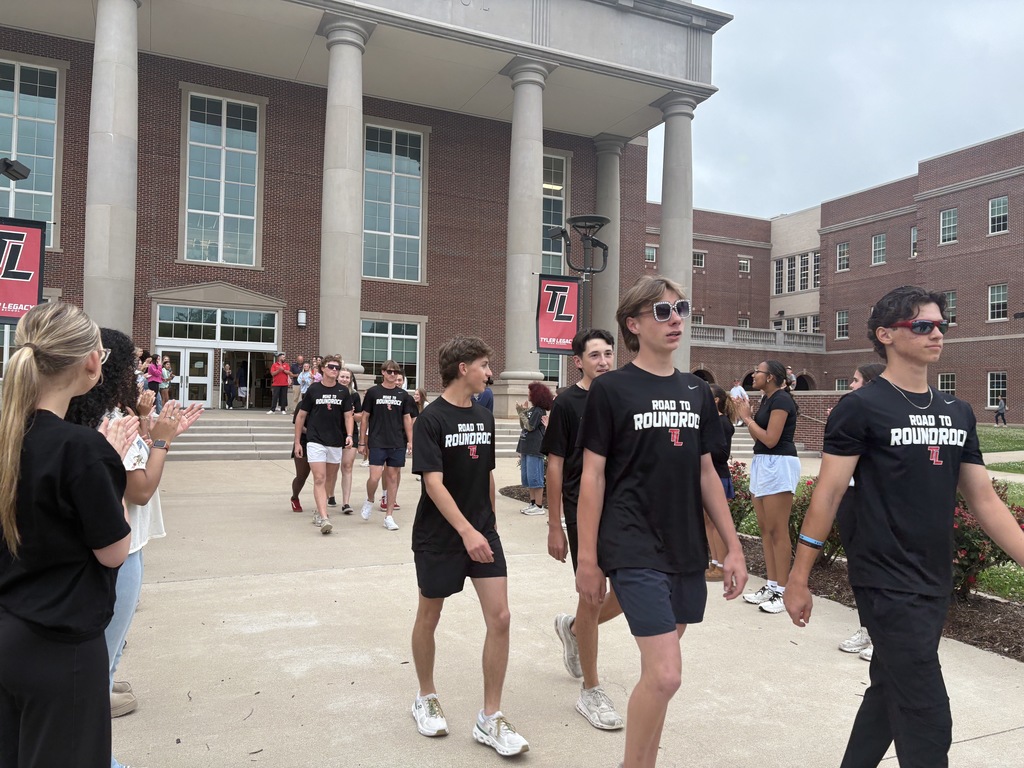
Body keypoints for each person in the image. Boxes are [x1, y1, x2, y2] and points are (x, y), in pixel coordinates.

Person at [785, 285, 1024, 768]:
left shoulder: (958, 411)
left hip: (934, 576)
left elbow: (982, 499)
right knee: (927, 717)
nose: (937, 334)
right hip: (883, 578)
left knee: (888, 691)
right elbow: (828, 494)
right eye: (922, 326)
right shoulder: (860, 408)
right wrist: (798, 576)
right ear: (886, 335)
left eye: (940, 325)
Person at [576, 275, 747, 768]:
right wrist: (588, 558)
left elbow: (706, 473)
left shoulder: (696, 391)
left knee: (659, 675)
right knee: (667, 673)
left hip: (685, 546)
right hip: (631, 542)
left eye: (680, 310)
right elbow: (593, 476)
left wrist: (733, 547)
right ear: (632, 324)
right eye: (662, 311)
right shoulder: (610, 389)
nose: (675, 320)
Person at [0, 302, 136, 767]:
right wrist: (112, 461)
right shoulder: (82, 449)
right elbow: (114, 551)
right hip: (60, 646)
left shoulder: (11, 436)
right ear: (92, 362)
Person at [65, 330, 201, 767]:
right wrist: (162, 440)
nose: (139, 373)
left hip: (103, 547)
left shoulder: (87, 414)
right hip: (121, 549)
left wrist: (149, 428)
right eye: (132, 366)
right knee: (100, 658)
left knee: (103, 651)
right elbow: (139, 489)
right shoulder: (110, 421)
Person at [409, 336, 530, 756]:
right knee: (430, 614)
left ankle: (490, 717)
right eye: (484, 365)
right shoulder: (431, 419)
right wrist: (466, 531)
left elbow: (487, 474)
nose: (490, 373)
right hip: (440, 535)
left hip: (481, 530)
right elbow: (433, 483)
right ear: (463, 368)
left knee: (501, 617)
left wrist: (488, 523)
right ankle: (425, 696)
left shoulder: (484, 415)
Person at [542, 327, 625, 730]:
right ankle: (591, 690)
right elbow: (555, 466)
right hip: (581, 509)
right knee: (592, 594)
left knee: (627, 593)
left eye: (608, 353)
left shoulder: (622, 397)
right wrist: (554, 524)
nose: (603, 361)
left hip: (622, 508)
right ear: (578, 361)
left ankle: (574, 628)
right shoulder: (566, 404)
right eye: (595, 355)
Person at [734, 359, 800, 615]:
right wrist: (749, 418)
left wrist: (747, 418)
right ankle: (772, 585)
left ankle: (783, 591)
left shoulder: (781, 400)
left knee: (777, 530)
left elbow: (771, 439)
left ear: (770, 377)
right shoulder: (767, 399)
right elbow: (758, 437)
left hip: (779, 463)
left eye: (758, 372)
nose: (753, 375)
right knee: (765, 530)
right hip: (763, 461)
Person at [835, 362, 886, 662]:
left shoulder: (884, 416)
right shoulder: (850, 410)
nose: (851, 386)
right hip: (850, 495)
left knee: (878, 567)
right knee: (858, 567)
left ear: (871, 383)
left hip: (874, 498)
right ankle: (867, 627)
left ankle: (883, 636)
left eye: (856, 380)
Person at [293, 354, 355, 536]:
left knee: (329, 479)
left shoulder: (343, 391)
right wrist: (297, 442)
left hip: (335, 441)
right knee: (319, 478)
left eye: (337, 367)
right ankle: (324, 517)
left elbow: (348, 416)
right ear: (323, 369)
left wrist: (349, 435)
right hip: (315, 440)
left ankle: (319, 509)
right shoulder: (313, 389)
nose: (335, 370)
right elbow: (301, 416)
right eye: (331, 367)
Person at [359, 360, 415, 531]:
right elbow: (364, 417)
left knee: (392, 478)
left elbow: (407, 418)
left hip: (397, 441)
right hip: (377, 440)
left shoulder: (403, 395)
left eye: (395, 372)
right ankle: (370, 499)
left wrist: (410, 440)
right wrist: (362, 441)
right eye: (389, 371)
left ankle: (389, 516)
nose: (392, 375)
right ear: (383, 372)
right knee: (374, 477)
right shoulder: (373, 392)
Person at [705, 383, 738, 582]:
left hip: (718, 475)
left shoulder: (723, 423)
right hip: (708, 476)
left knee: (717, 523)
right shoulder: (709, 421)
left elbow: (723, 453)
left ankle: (722, 566)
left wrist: (701, 448)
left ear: (716, 400)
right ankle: (714, 561)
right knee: (708, 522)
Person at [516, 381, 553, 515]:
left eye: (530, 392)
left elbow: (530, 427)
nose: (528, 394)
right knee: (528, 478)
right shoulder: (533, 410)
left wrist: (521, 412)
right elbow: (523, 425)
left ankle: (539, 506)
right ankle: (532, 503)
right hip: (526, 446)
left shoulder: (539, 411)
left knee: (535, 478)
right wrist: (523, 412)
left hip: (534, 447)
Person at [333, 368, 362, 514]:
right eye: (342, 377)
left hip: (350, 433)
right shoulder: (331, 393)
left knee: (347, 466)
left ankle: (346, 503)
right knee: (332, 468)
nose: (344, 379)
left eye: (347, 377)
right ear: (337, 377)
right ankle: (330, 494)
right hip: (333, 431)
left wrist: (351, 414)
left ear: (351, 380)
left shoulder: (354, 395)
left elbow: (360, 416)